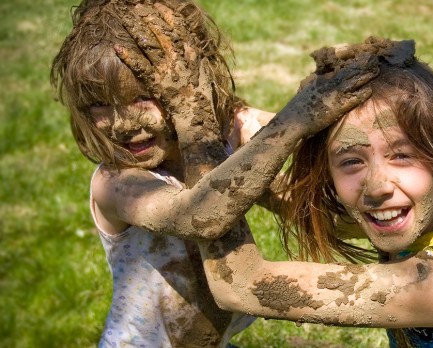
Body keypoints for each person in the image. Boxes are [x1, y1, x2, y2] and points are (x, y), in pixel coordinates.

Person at [50, 1, 378, 346]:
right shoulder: (116, 182)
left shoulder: (228, 133)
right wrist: (298, 120)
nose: (122, 123)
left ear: (189, 77)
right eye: (98, 104)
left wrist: (349, 88)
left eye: (143, 96)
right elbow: (202, 214)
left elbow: (321, 161)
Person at [202, 37, 433, 347]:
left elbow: (241, 286)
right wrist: (234, 121)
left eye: (402, 155)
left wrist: (201, 153)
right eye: (351, 161)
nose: (376, 187)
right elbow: (301, 201)